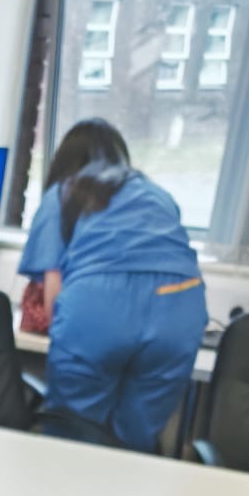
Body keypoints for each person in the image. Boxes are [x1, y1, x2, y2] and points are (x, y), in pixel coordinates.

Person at [19, 118, 208, 453]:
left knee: (73, 431)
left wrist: (63, 329)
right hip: (180, 304)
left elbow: (53, 289)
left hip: (98, 302)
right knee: (136, 438)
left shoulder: (63, 192)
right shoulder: (156, 194)